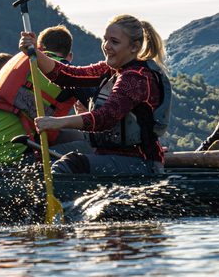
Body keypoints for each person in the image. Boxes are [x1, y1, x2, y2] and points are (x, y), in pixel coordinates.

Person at [21, 14, 173, 175]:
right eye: (105, 39)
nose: (106, 46)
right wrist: (35, 53)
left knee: (70, 164)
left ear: (134, 47)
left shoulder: (137, 78)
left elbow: (105, 118)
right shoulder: (109, 70)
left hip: (140, 163)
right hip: (110, 158)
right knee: (49, 168)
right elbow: (67, 75)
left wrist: (56, 123)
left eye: (114, 42)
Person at [0, 27, 82, 169]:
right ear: (69, 55)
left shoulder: (21, 63)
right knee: (85, 142)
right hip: (10, 162)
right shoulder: (67, 74)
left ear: (40, 47)